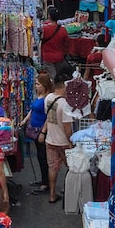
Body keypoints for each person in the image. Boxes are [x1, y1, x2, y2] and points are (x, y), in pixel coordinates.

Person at [45, 65, 76, 204]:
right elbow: (67, 127)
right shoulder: (65, 104)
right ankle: (69, 191)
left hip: (50, 140)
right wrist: (71, 141)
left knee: (53, 167)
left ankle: (52, 194)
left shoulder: (48, 98)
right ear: (64, 86)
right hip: (63, 142)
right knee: (70, 167)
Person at [19, 73, 51, 194]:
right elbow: (32, 110)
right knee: (40, 156)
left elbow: (48, 116)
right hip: (35, 129)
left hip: (41, 131)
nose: (36, 86)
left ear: (44, 85)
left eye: (38, 84)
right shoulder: (39, 96)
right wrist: (25, 120)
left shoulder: (47, 98)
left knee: (43, 157)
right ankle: (44, 180)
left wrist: (43, 132)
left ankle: (45, 183)